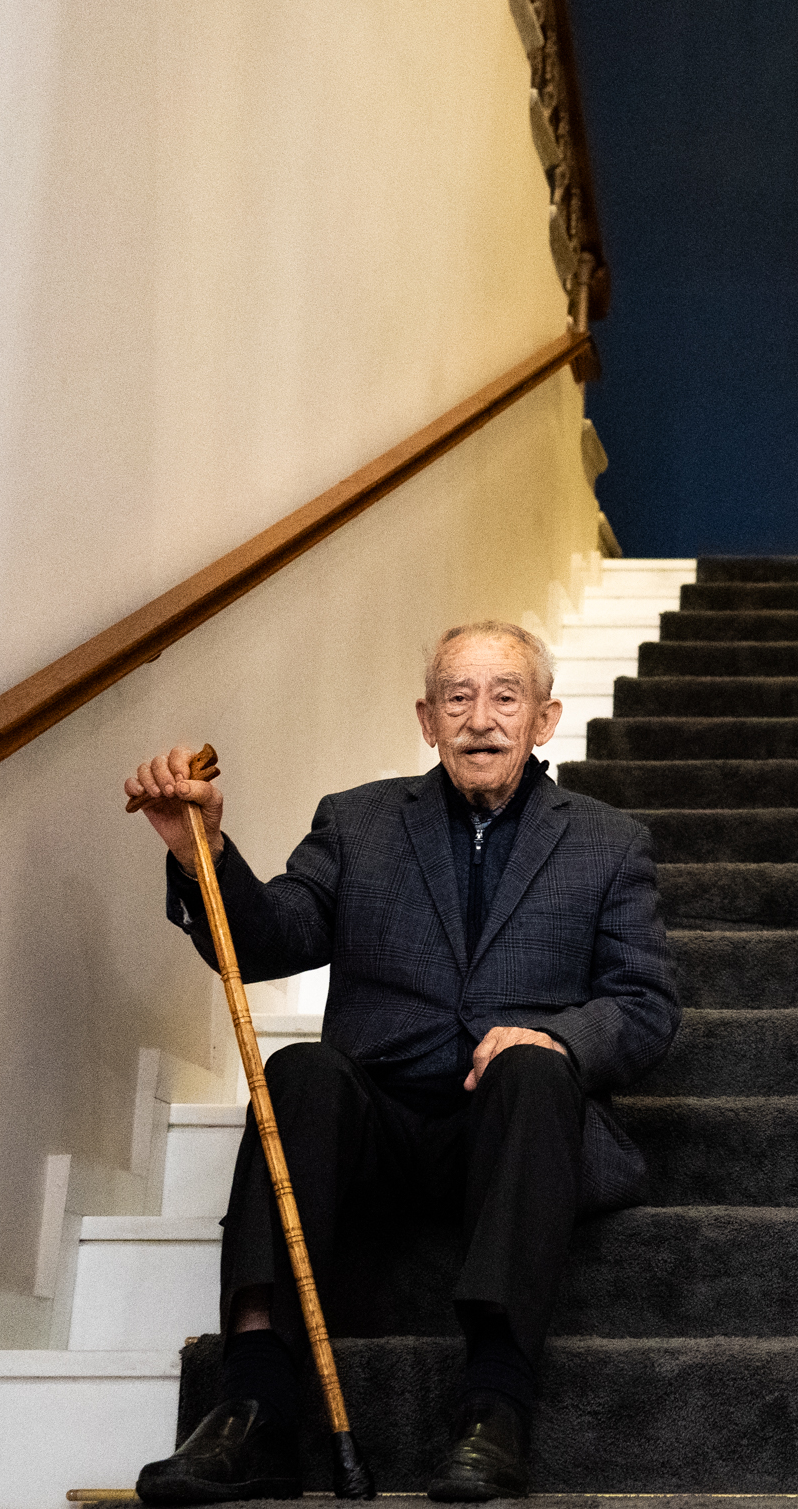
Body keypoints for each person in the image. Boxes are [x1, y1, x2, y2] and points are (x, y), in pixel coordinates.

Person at [125, 621, 679, 1504]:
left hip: (513, 1129)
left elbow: (645, 1004)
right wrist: (203, 858)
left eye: (505, 696)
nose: (480, 718)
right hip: (375, 1128)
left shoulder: (608, 841)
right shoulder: (358, 820)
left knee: (535, 1066)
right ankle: (255, 1405)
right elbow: (269, 940)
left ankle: (495, 1406)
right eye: (458, 696)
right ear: (427, 719)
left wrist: (558, 1038)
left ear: (544, 719)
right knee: (301, 1071)